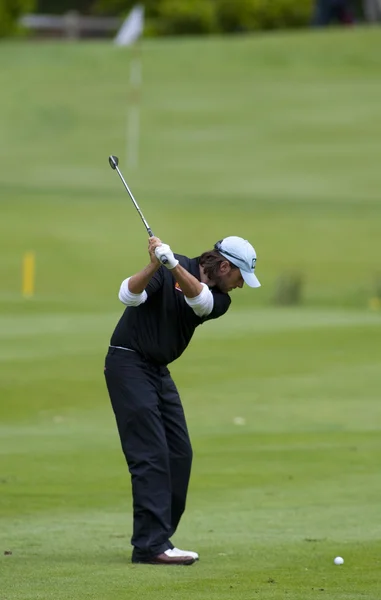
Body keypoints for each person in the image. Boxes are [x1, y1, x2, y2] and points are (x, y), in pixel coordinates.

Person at [104, 235, 261, 566]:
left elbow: (198, 300)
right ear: (224, 266)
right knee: (150, 454)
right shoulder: (167, 266)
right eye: (239, 277)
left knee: (179, 453)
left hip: (157, 370)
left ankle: (159, 538)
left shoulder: (218, 299)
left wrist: (170, 263)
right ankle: (150, 546)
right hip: (128, 363)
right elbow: (128, 296)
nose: (240, 286)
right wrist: (153, 264)